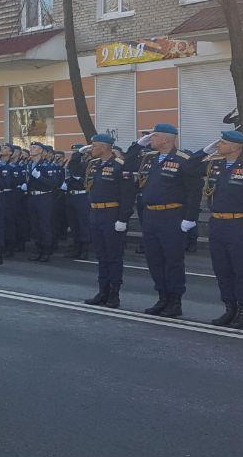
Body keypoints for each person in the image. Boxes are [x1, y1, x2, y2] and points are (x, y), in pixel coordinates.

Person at [193, 130, 243, 329]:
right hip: (217, 224)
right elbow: (188, 168)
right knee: (222, 269)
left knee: (240, 270)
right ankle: (229, 308)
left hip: (239, 225)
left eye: (223, 142)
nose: (218, 145)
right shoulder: (214, 164)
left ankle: (242, 311)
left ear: (236, 147)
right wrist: (203, 151)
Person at [126, 124, 202, 318]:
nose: (150, 138)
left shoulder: (184, 160)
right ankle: (162, 297)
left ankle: (175, 301)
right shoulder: (149, 158)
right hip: (150, 215)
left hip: (172, 216)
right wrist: (137, 145)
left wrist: (190, 218)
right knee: (154, 260)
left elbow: (195, 191)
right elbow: (127, 164)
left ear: (166, 139)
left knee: (173, 261)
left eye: (154, 136)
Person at [82, 133, 136, 308]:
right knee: (101, 256)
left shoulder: (120, 165)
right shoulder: (94, 164)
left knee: (113, 256)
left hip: (112, 214)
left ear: (105, 147)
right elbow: (75, 167)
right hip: (96, 214)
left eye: (94, 145)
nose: (91, 149)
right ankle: (102, 291)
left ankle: (114, 294)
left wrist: (123, 219)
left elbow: (127, 195)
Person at [64, 143, 91, 259]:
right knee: (73, 223)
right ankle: (76, 246)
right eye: (74, 152)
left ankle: (84, 248)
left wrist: (79, 179)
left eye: (78, 152)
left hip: (82, 196)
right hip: (71, 196)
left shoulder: (88, 164)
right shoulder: (71, 165)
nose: (75, 155)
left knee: (83, 223)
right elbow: (72, 165)